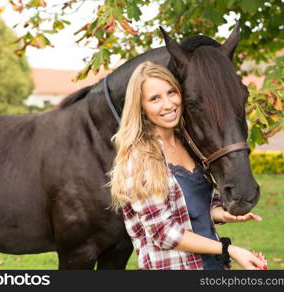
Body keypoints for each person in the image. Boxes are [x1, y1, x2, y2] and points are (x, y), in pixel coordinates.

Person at [108, 61, 267, 270]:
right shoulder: (140, 159)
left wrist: (224, 214)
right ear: (141, 107)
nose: (168, 104)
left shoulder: (189, 145)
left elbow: (194, 208)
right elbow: (163, 233)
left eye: (171, 92)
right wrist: (230, 250)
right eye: (155, 98)